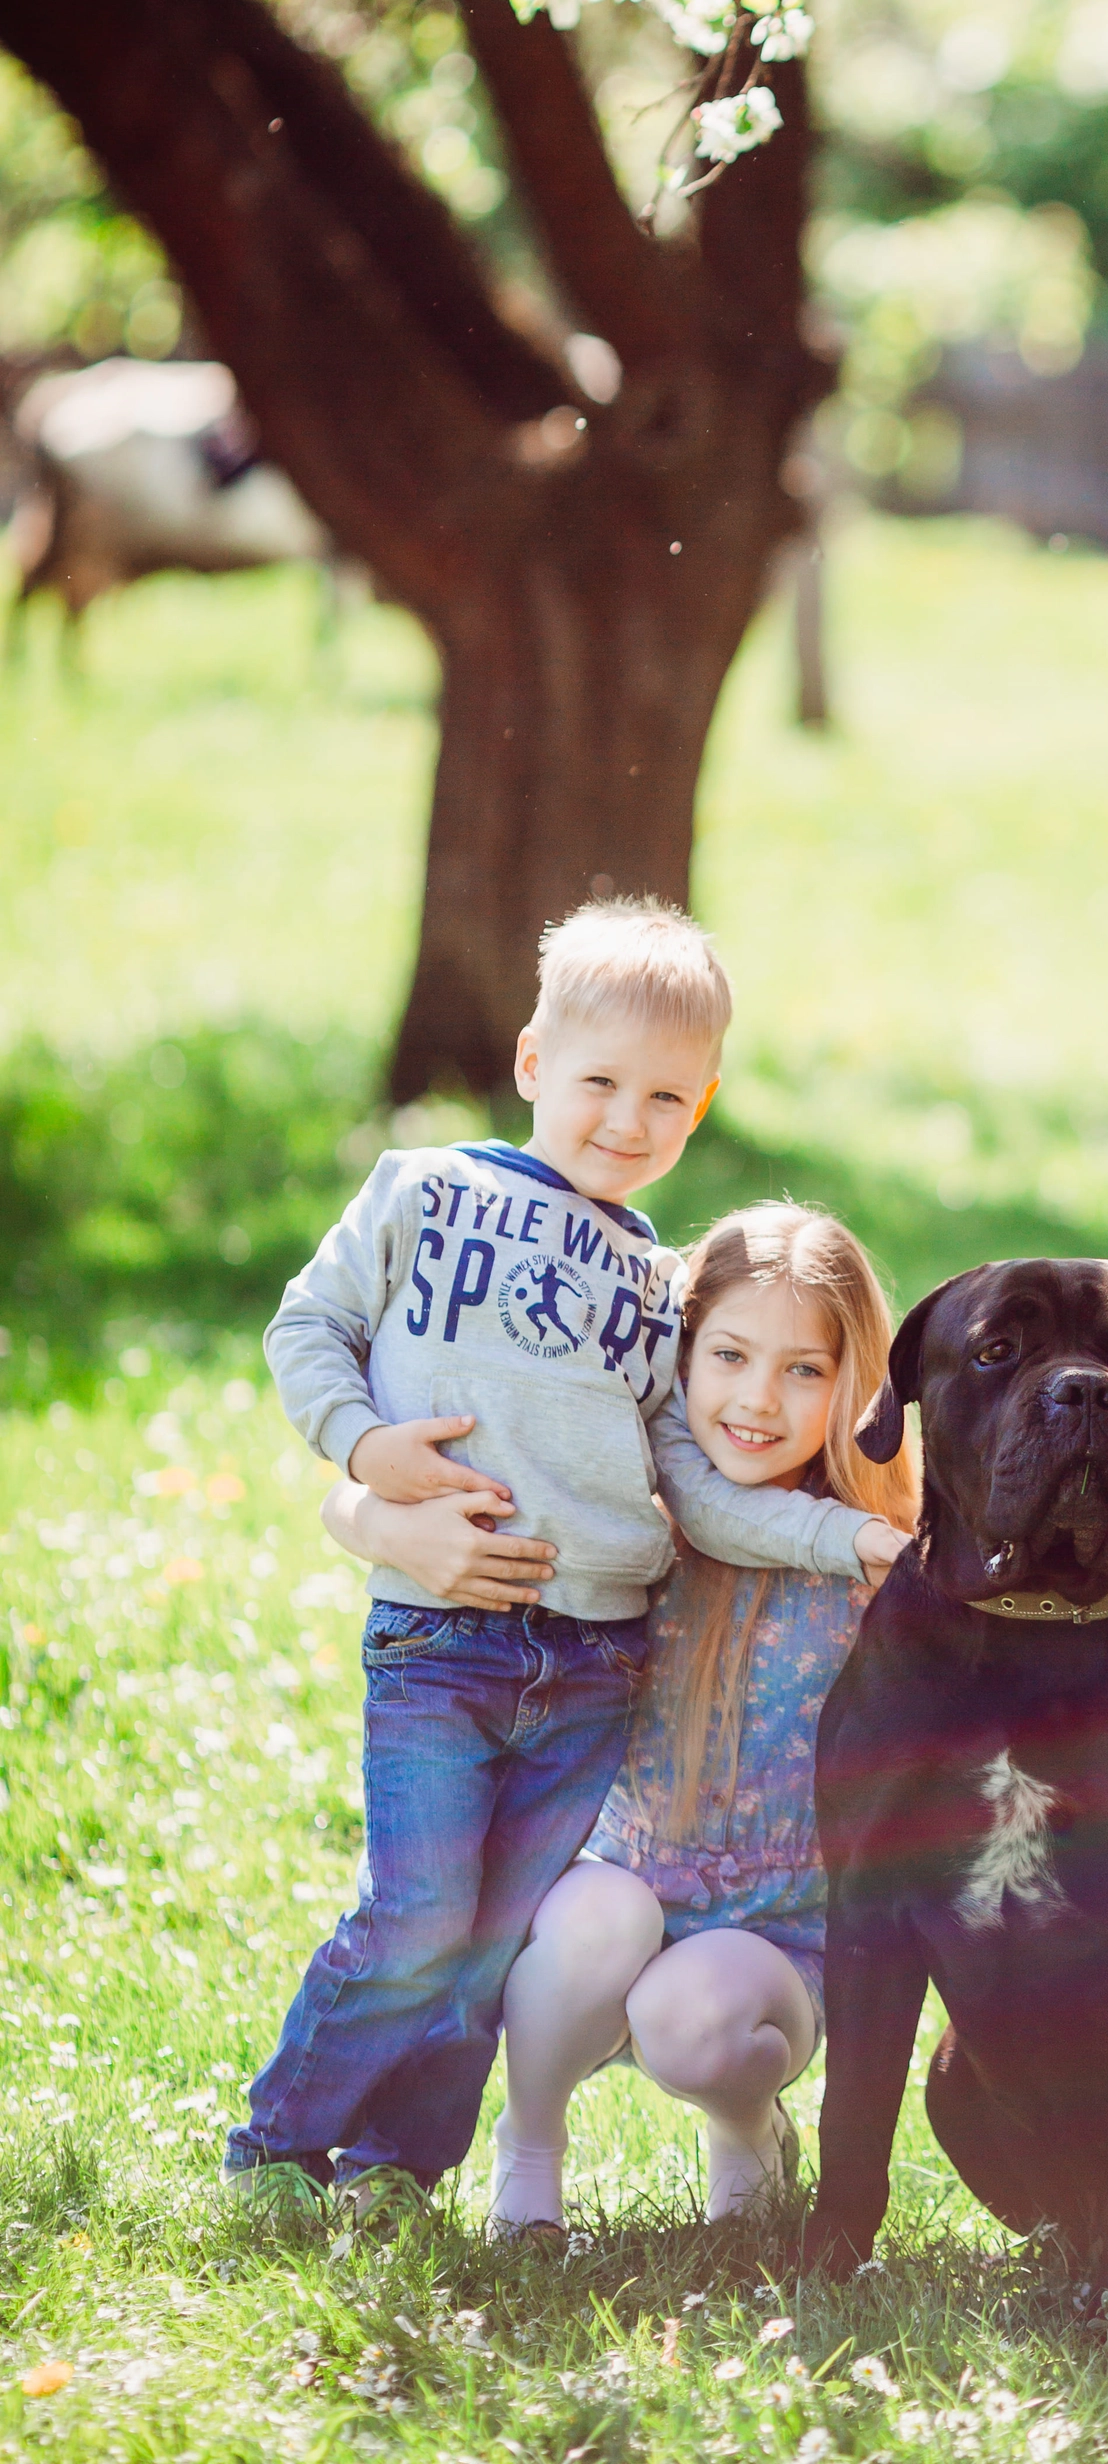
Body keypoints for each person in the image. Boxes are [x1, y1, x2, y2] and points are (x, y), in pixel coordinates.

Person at [225, 897, 736, 2238]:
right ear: (530, 1064)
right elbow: (307, 1325)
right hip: (444, 1640)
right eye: (600, 1083)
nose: (628, 1121)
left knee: (492, 1944)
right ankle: (279, 2140)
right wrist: (364, 1446)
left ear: (705, 1105)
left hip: (596, 1660)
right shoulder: (426, 1189)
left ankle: (402, 2170)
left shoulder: (666, 1283)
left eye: (666, 1098)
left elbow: (684, 1470)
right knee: (419, 1917)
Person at [331, 1201, 916, 2234]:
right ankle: (531, 2140)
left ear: (855, 1382)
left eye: (803, 1371)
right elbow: (395, 1503)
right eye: (728, 1355)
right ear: (675, 1357)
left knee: (691, 2018)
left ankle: (745, 2124)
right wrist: (368, 1514)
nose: (757, 1400)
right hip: (611, 1892)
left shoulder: (880, 1555)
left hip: (775, 1943)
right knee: (605, 1921)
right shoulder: (618, 1514)